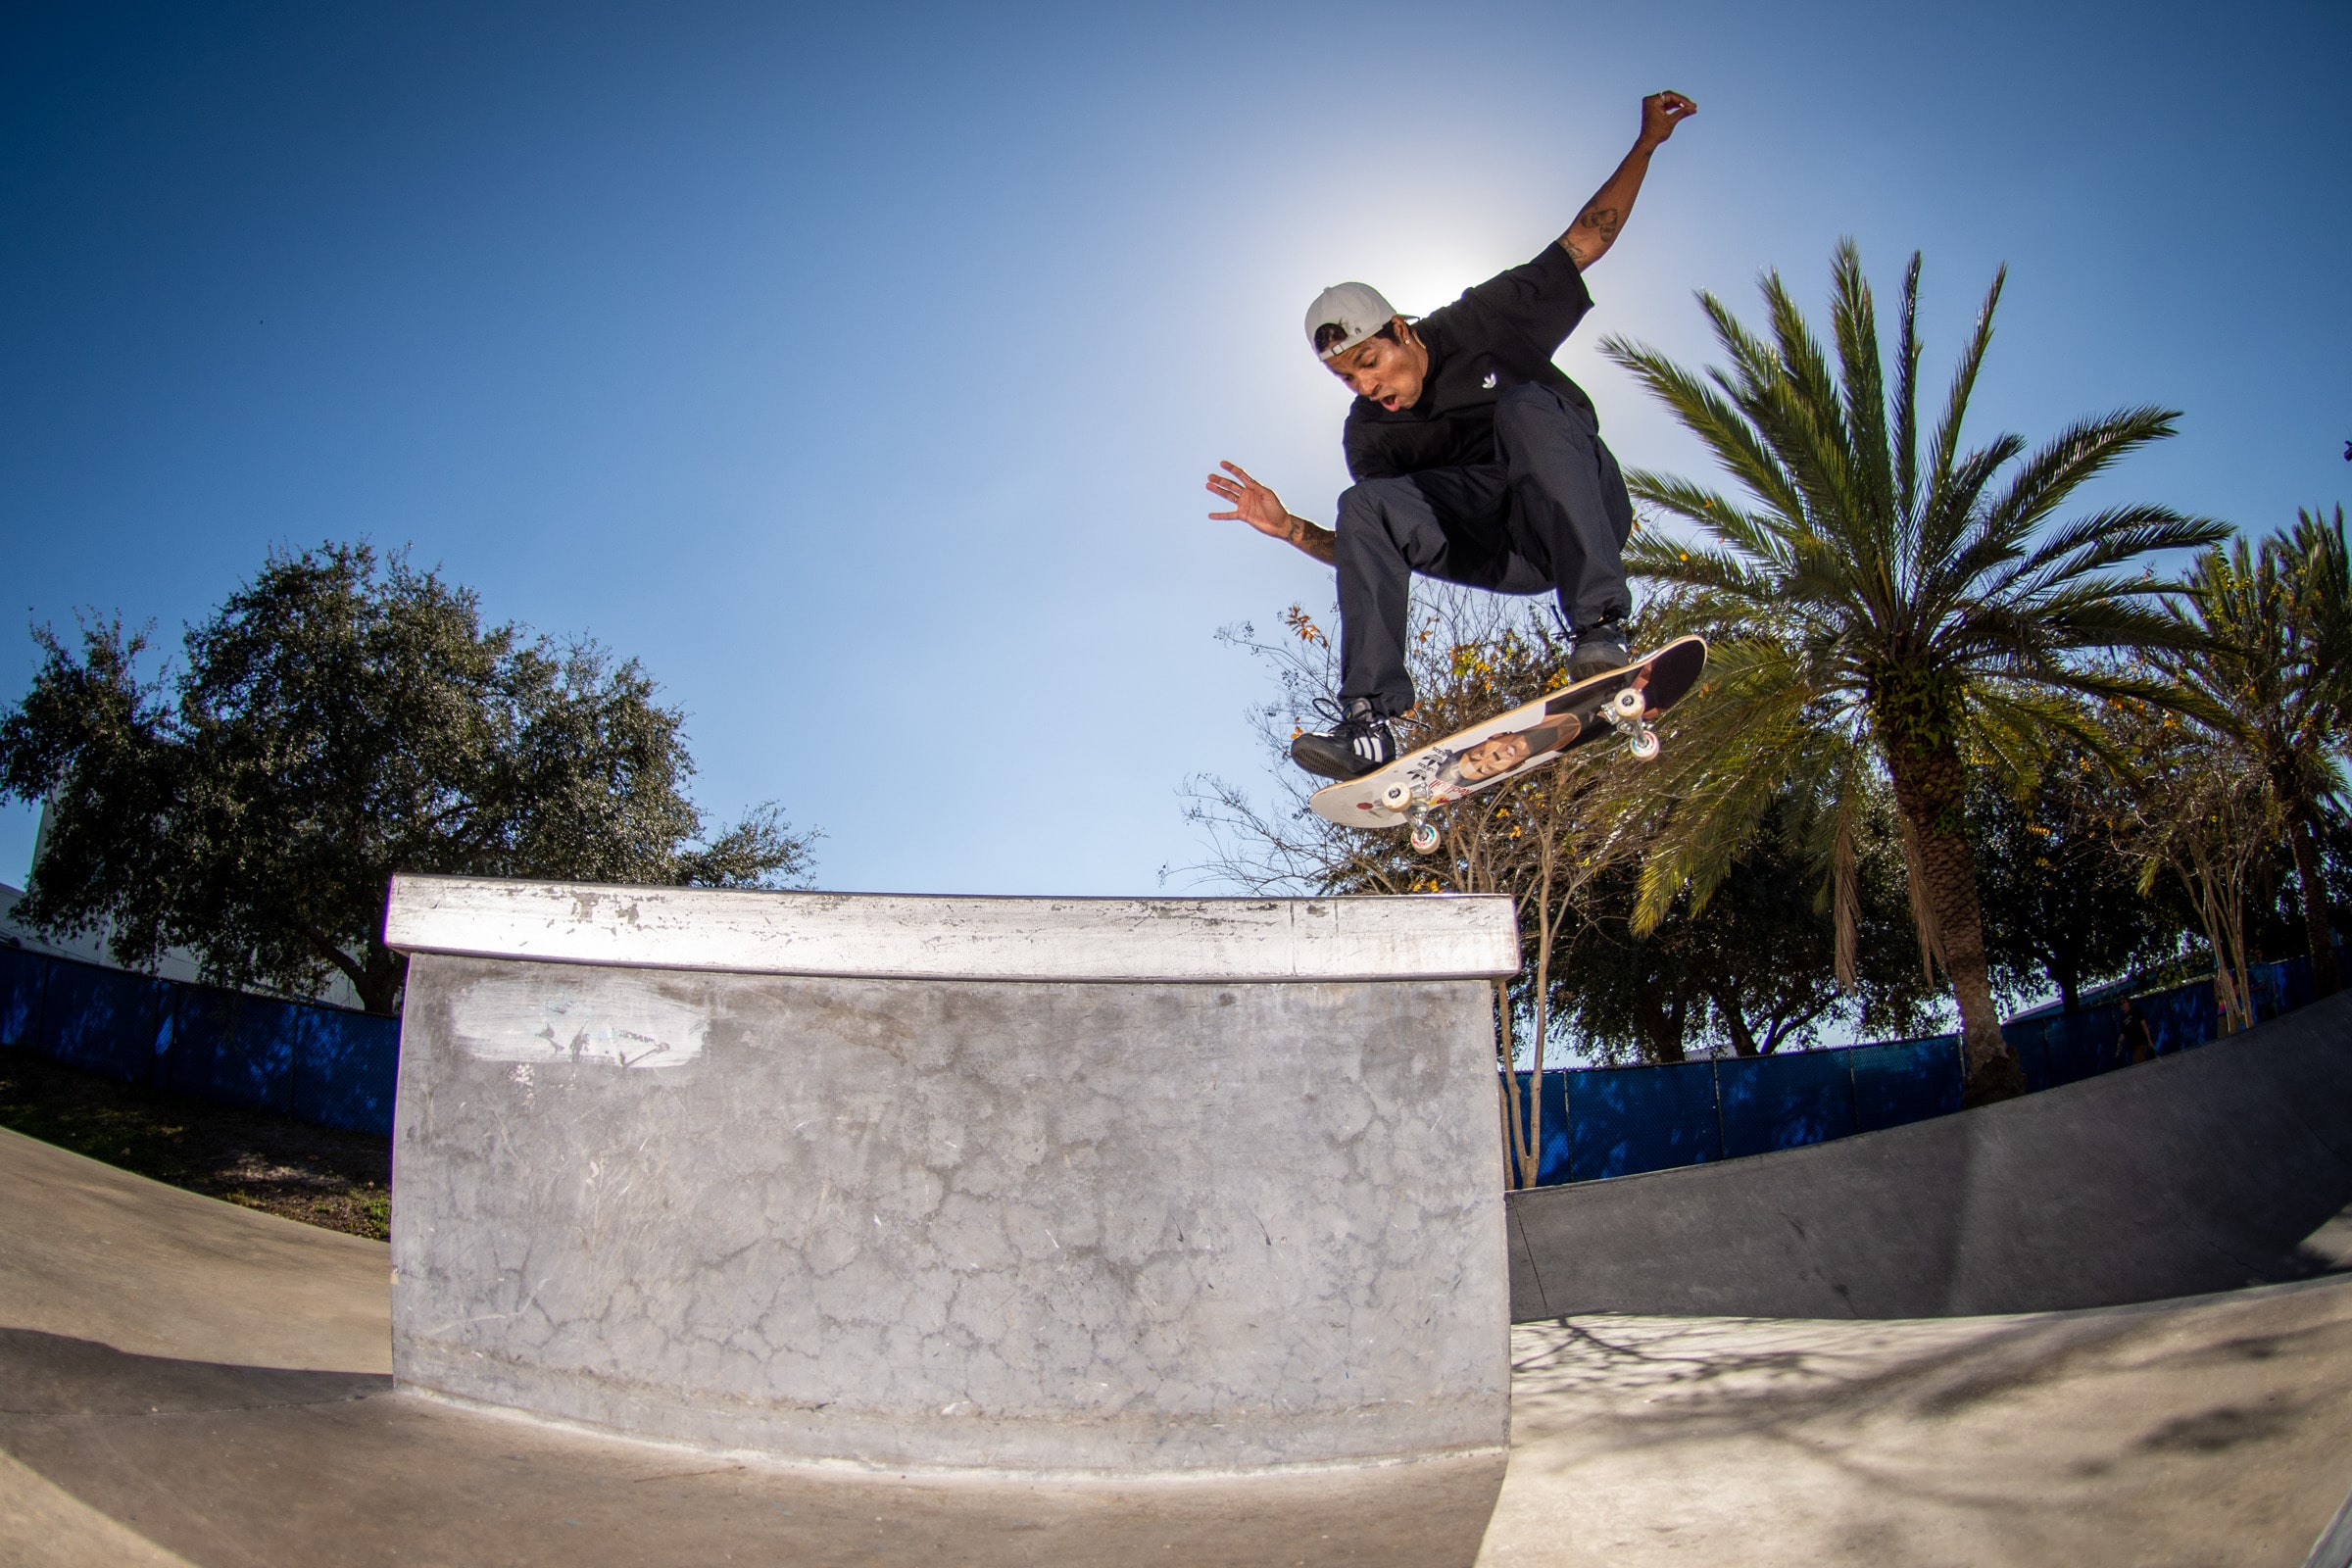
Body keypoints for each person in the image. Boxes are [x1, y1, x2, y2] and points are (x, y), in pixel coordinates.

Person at [1207, 90, 1698, 780]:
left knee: (1526, 408)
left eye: (1370, 363)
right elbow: (1371, 550)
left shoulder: (1483, 322)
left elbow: (1587, 238)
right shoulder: (1371, 434)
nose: (1368, 387)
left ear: (1402, 330)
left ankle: (1600, 631)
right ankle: (1370, 725)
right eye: (1348, 379)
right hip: (1502, 553)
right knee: (1363, 506)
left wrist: (1646, 141)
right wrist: (1292, 530)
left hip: (1578, 511)